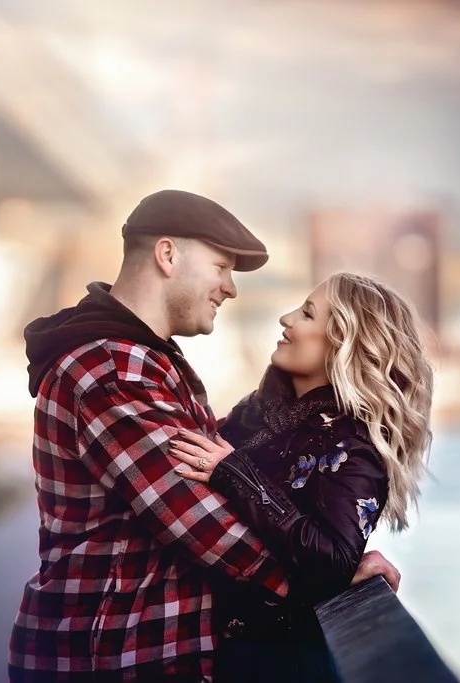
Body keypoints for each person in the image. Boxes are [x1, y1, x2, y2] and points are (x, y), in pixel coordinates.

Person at [8, 190, 400, 683]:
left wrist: (328, 555)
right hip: (111, 653)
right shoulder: (114, 369)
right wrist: (328, 579)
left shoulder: (149, 361)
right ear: (167, 255)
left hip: (137, 649)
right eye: (221, 267)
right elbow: (199, 520)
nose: (230, 289)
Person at [169, 272, 435, 682]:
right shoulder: (257, 412)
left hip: (278, 664)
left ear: (343, 344)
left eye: (307, 314)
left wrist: (235, 473)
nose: (286, 318)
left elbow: (332, 560)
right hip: (214, 649)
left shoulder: (355, 445)